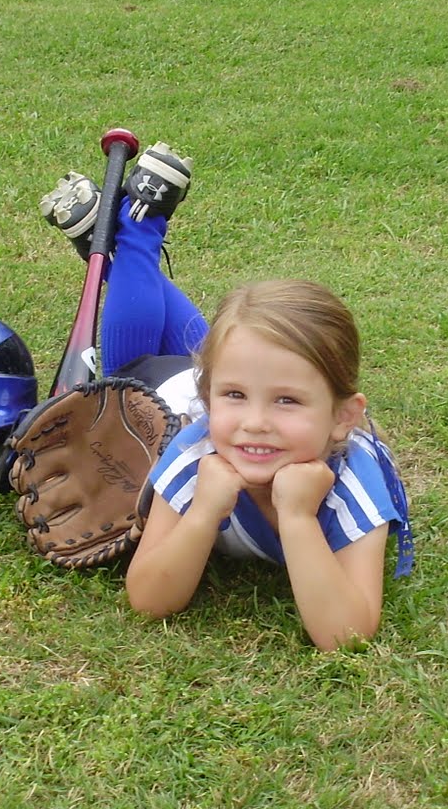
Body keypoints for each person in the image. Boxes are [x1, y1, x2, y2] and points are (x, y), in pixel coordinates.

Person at [40, 145, 413, 649]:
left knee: (212, 351)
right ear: (210, 400)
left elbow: (346, 636)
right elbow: (148, 600)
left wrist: (300, 518)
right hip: (166, 397)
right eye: (236, 396)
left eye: (287, 401)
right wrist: (202, 514)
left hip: (203, 376)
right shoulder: (198, 447)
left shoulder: (354, 479)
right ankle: (135, 237)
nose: (255, 422)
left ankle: (118, 243)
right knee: (129, 371)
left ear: (343, 417)